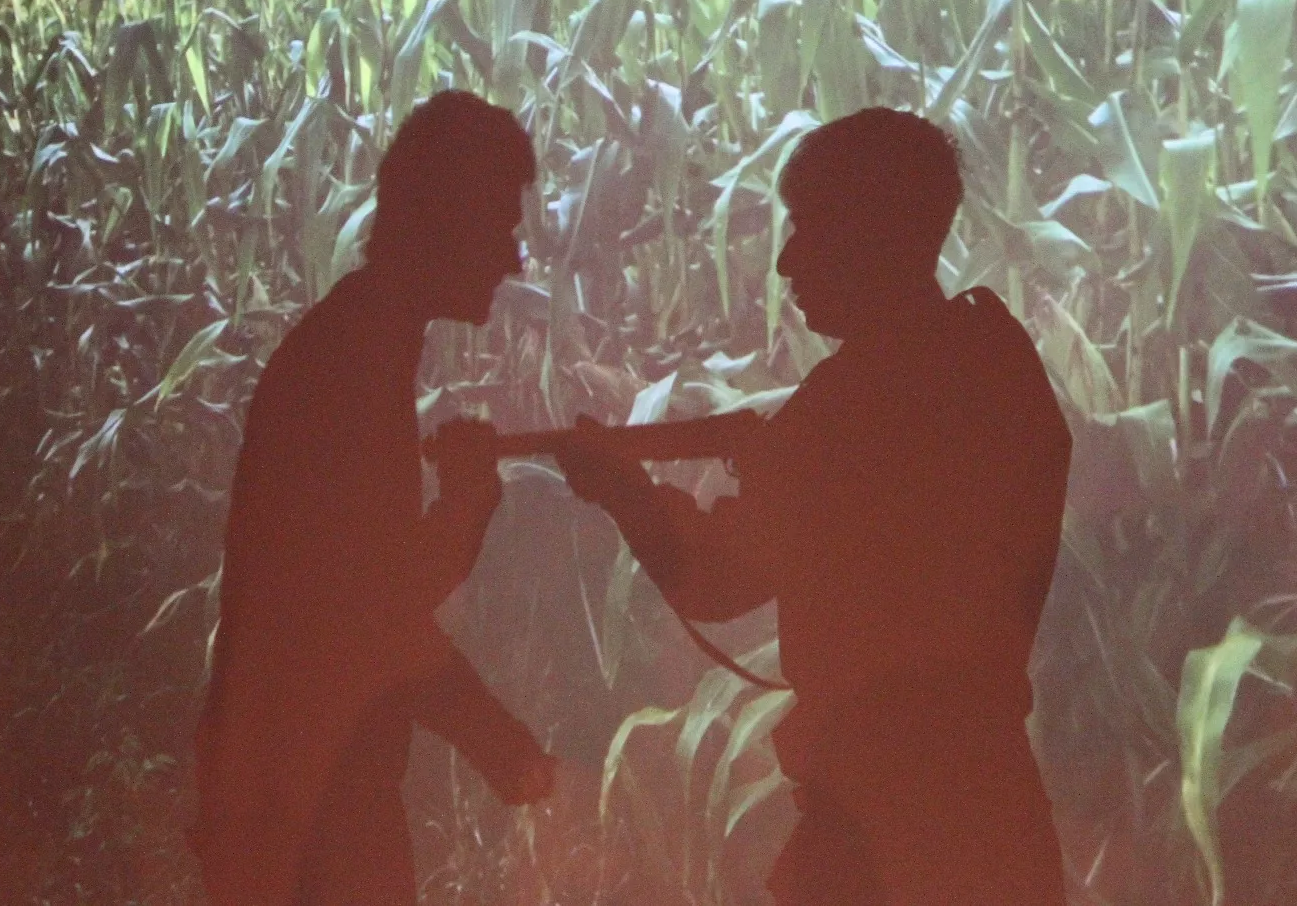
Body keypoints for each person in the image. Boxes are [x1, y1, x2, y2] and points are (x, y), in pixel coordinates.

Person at [554, 107, 1072, 904]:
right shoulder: (996, 359)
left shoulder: (850, 404)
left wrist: (622, 489)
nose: (789, 259)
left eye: (810, 226)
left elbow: (716, 582)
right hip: (991, 804)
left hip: (879, 827)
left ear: (870, 234)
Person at [189, 91, 557, 905]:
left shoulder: (355, 349)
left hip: (292, 793)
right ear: (444, 220)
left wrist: (498, 744)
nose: (514, 259)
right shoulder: (349, 369)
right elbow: (368, 611)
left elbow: (357, 614)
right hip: (307, 803)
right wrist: (465, 503)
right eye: (499, 225)